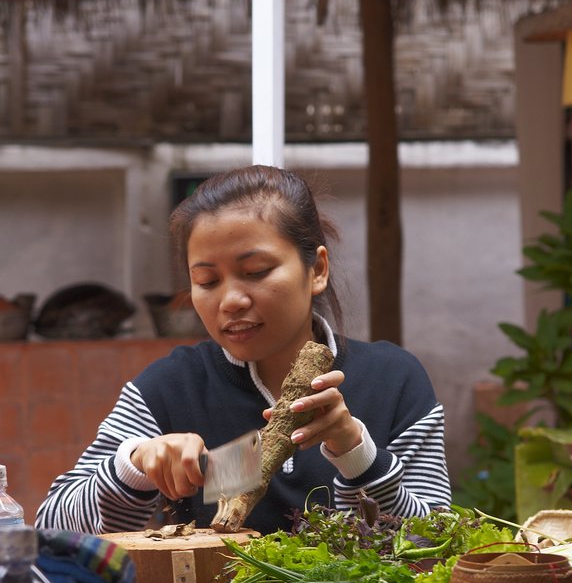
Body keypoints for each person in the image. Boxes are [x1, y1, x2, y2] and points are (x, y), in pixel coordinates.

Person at [35, 165, 451, 536]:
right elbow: (53, 527)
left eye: (256, 272)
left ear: (317, 269)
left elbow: (433, 541)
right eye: (208, 281)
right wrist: (135, 463)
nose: (231, 300)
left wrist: (356, 452)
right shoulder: (167, 389)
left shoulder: (394, 381)